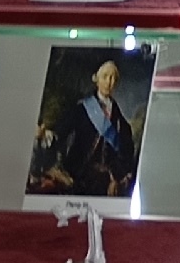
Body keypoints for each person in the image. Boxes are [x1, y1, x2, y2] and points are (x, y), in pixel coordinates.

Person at [38, 56, 142, 200]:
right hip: (78, 176)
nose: (109, 82)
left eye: (113, 78)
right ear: (96, 79)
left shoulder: (120, 122)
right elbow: (60, 132)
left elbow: (126, 152)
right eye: (105, 76)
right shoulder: (81, 109)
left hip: (105, 183)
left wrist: (116, 178)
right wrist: (45, 135)